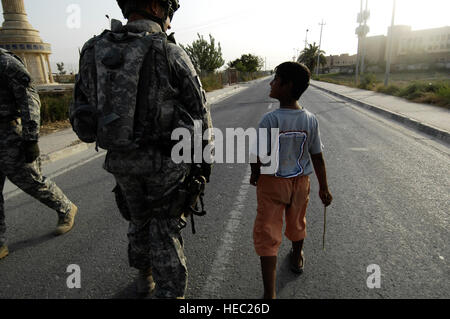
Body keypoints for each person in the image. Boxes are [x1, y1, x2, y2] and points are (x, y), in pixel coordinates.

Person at [71, 0, 213, 299]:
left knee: (139, 220)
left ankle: (144, 276)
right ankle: (170, 293)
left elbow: (81, 116)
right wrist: (202, 162)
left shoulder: (92, 51)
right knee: (165, 228)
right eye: (169, 13)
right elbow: (200, 114)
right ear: (155, 7)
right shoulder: (170, 51)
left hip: (121, 161)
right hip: (166, 163)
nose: (170, 23)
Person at [250, 62, 332, 299]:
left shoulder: (269, 120)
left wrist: (255, 174)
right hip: (300, 183)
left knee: (268, 232)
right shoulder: (310, 119)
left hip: (272, 184)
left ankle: (270, 294)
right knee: (297, 222)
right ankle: (296, 257)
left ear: (288, 86)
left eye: (276, 79)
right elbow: (317, 156)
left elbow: (258, 155)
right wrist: (324, 187)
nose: (271, 83)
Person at [0, 48, 78, 260]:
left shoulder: (5, 62)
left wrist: (30, 137)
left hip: (7, 133)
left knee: (31, 180)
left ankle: (65, 208)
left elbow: (29, 97)